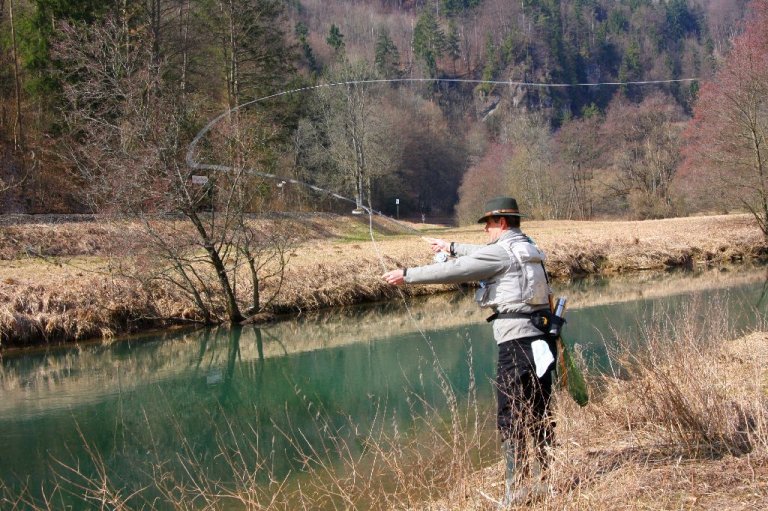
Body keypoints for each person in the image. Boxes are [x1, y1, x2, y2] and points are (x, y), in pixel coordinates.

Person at [382, 196, 556, 506]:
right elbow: (483, 254)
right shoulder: (527, 247)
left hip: (516, 344)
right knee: (539, 411)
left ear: (501, 223)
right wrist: (449, 246)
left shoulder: (501, 254)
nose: (485, 231)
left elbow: (458, 270)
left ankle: (516, 491)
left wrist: (407, 275)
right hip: (543, 339)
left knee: (510, 415)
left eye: (488, 225)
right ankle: (546, 482)